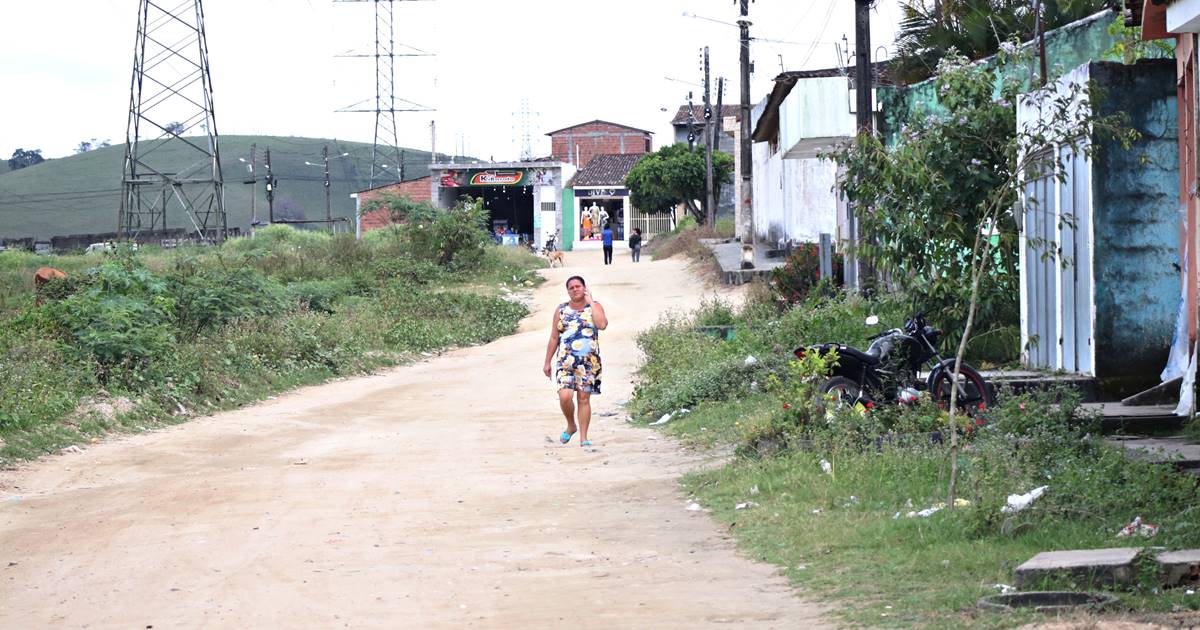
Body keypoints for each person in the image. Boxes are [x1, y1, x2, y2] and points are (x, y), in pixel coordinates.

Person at [543, 276, 608, 447]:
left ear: (585, 287)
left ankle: (583, 437)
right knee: (565, 396)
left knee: (584, 399)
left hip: (589, 362)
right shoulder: (561, 310)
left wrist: (591, 302)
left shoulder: (595, 306)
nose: (575, 289)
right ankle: (571, 425)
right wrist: (547, 362)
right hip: (565, 361)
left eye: (578, 286)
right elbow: (553, 337)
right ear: (568, 291)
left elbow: (601, 324)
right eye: (571, 287)